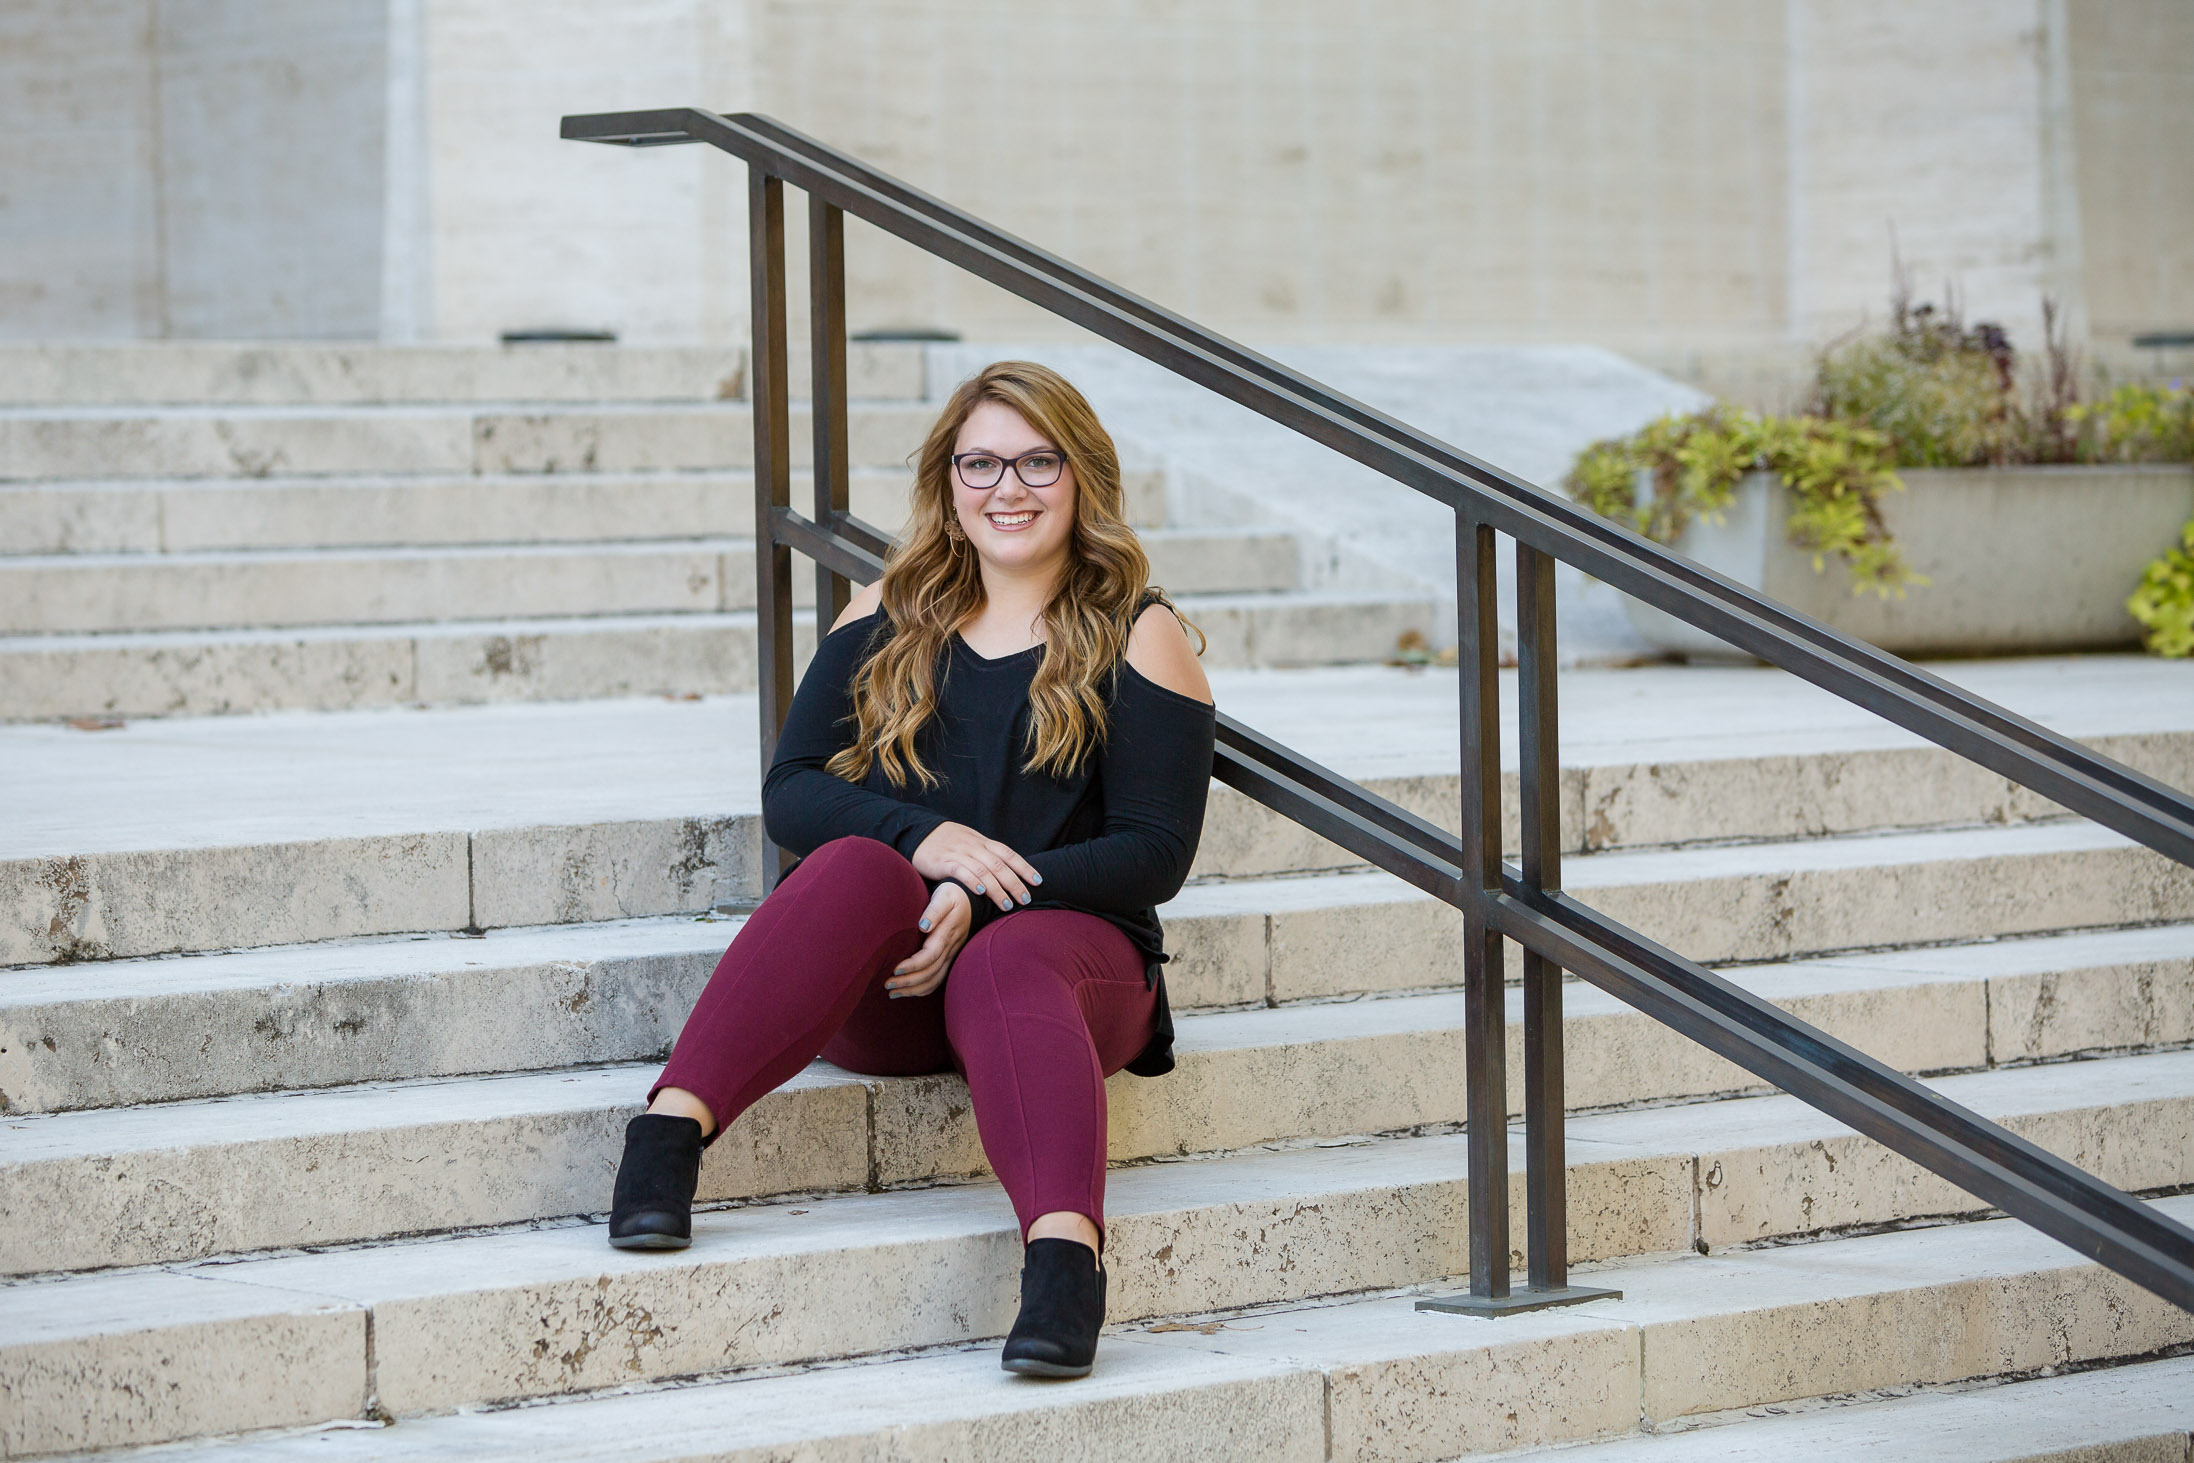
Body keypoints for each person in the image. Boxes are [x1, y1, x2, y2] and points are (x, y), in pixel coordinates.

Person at [605, 360, 1216, 1380]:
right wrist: (922, 844)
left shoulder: (1137, 631)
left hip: (1068, 973)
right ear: (946, 480)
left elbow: (1155, 852)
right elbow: (792, 787)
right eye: (980, 461)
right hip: (893, 991)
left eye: (1036, 460)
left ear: (1082, 477)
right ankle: (666, 1140)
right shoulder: (888, 607)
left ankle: (1065, 1265)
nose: (1006, 487)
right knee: (850, 864)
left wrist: (971, 894)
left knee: (1006, 957)